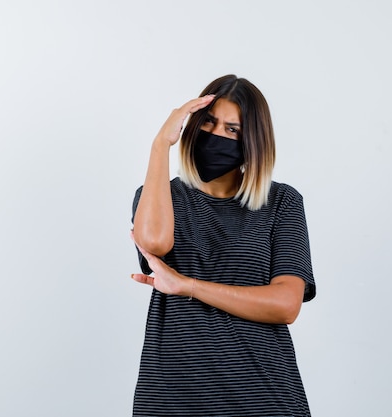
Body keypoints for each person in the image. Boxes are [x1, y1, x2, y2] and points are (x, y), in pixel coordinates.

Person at [130, 74, 316, 417]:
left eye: (233, 130)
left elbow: (285, 304)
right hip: (172, 397)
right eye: (209, 123)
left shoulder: (282, 203)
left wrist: (188, 286)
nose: (217, 135)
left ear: (252, 141)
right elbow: (154, 242)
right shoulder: (158, 197)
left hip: (262, 396)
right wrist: (160, 145)